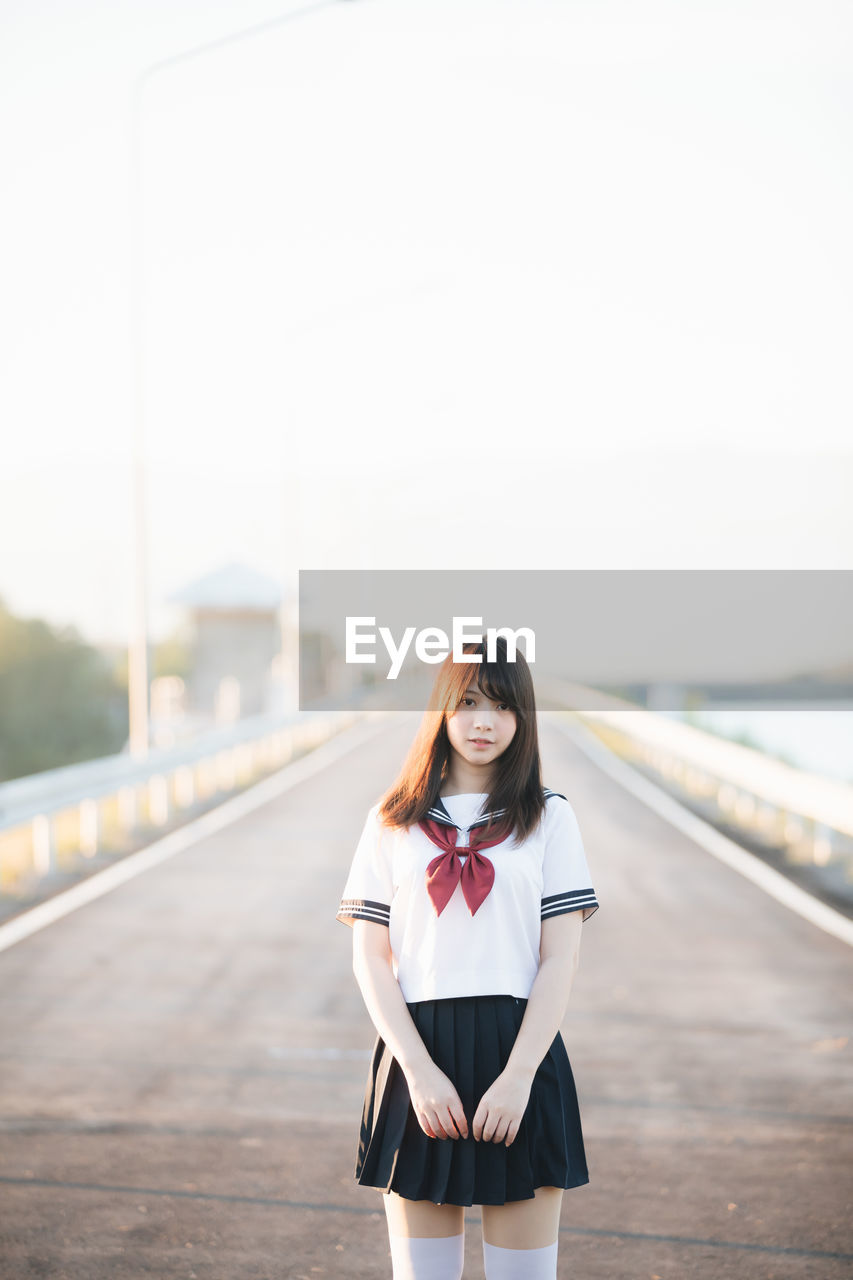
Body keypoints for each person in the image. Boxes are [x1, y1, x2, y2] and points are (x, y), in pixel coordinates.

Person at [336, 637, 600, 1280]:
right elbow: (371, 958)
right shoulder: (391, 821)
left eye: (504, 706)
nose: (484, 721)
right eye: (470, 701)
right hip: (418, 1055)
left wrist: (517, 1077)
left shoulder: (549, 819)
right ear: (443, 710)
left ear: (524, 718)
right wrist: (418, 1073)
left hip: (521, 1051)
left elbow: (559, 959)